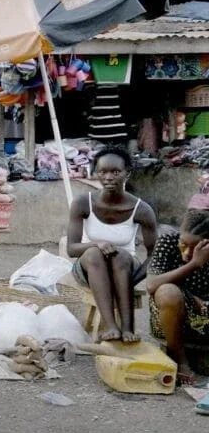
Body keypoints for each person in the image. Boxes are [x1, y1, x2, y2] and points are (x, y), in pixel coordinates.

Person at [66, 147, 157, 342]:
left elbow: (154, 255)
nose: (108, 177)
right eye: (102, 172)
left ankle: (128, 328)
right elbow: (71, 249)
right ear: (96, 173)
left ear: (128, 173)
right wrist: (96, 243)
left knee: (121, 255)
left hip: (124, 269)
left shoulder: (142, 209)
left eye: (115, 172)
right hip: (90, 269)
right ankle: (111, 326)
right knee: (94, 254)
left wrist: (132, 279)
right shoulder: (83, 203)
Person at [145, 210, 209, 386]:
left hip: (204, 319)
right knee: (167, 292)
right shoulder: (167, 242)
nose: (187, 253)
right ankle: (179, 360)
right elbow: (151, 285)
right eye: (183, 244)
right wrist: (195, 263)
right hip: (171, 318)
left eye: (195, 248)